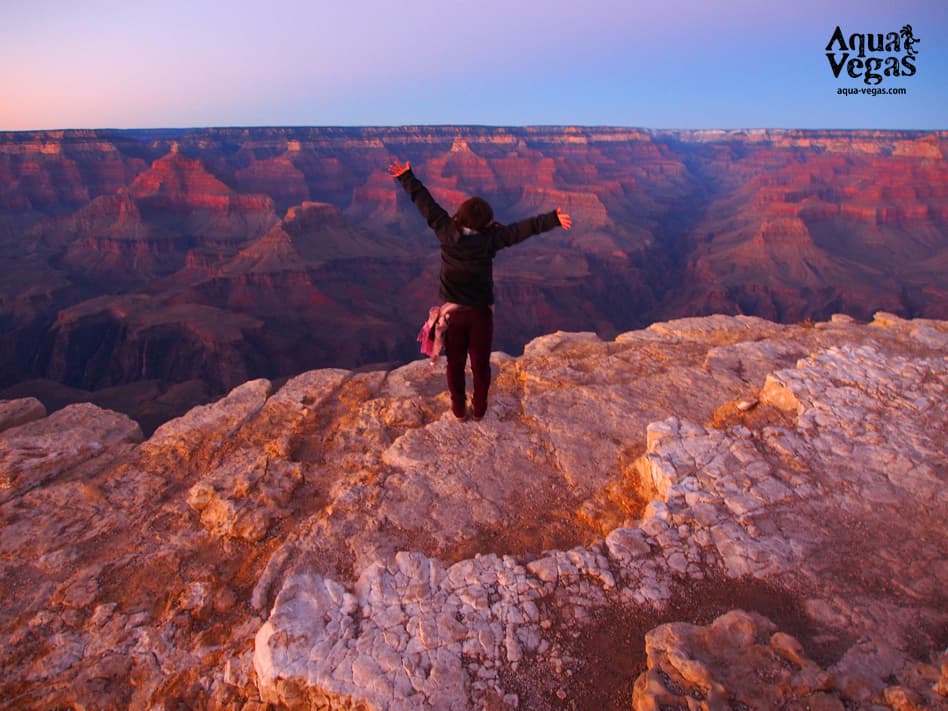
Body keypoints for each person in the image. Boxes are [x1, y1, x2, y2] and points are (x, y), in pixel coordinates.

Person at [388, 159, 572, 421]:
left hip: (452, 315)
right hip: (480, 315)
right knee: (480, 365)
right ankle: (480, 407)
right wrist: (552, 219)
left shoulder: (445, 231)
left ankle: (458, 408)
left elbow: (427, 206)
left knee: (455, 364)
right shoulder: (491, 240)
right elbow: (519, 231)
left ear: (460, 215)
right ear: (486, 222)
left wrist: (407, 177)